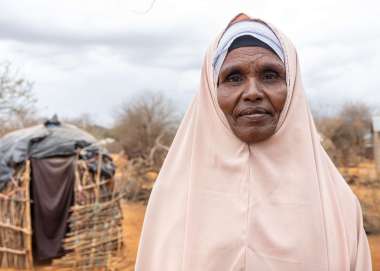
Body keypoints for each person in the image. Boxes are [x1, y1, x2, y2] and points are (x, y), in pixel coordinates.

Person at [135, 13, 372, 270]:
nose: (252, 93)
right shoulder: (172, 199)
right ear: (211, 91)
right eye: (233, 78)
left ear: (292, 87)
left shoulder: (338, 206)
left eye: (270, 75)